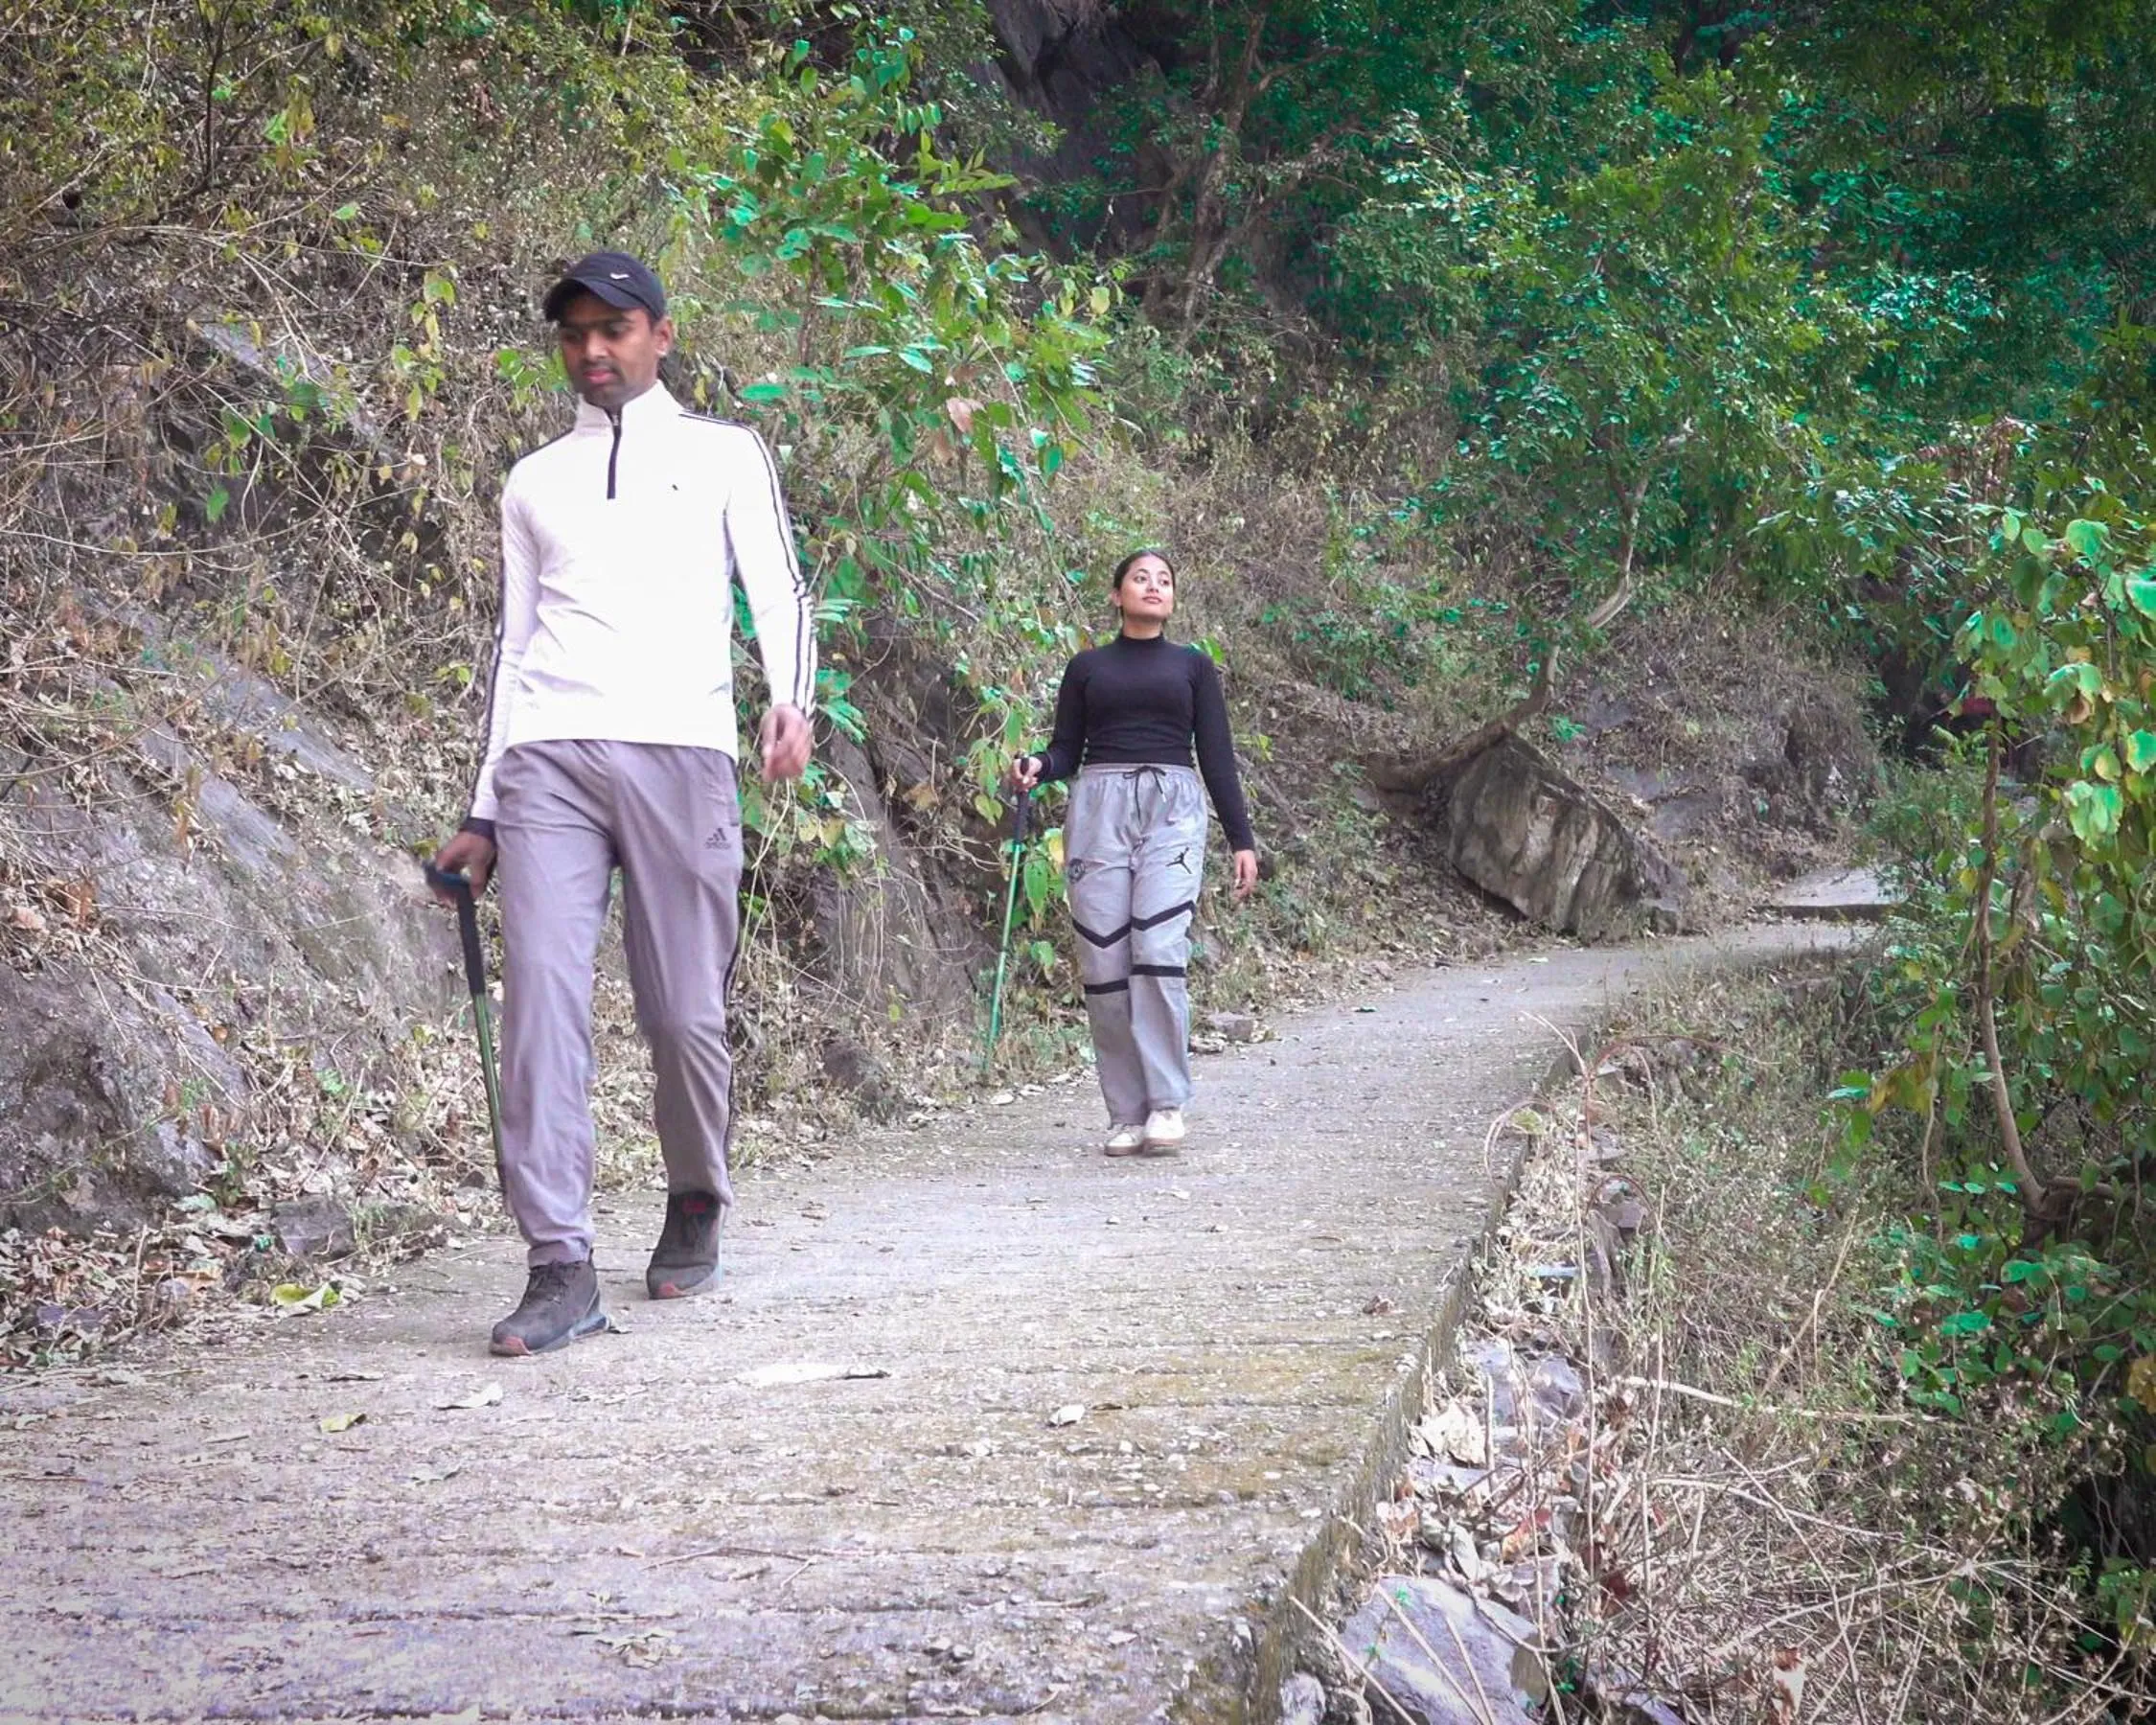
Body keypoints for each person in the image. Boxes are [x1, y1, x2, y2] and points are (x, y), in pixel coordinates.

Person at [429, 250, 815, 1356]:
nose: (592, 351)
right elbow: (514, 647)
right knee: (540, 1006)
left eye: (613, 329)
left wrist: (792, 700)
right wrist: (486, 808)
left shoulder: (724, 453)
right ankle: (560, 1261)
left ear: (660, 334)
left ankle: (695, 1190)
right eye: (574, 334)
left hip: (683, 752)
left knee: (682, 1013)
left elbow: (777, 584)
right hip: (545, 760)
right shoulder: (533, 479)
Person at [1010, 549, 1258, 1156]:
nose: (1154, 587)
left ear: (1172, 599)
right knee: (1103, 962)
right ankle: (1126, 1112)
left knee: (1157, 946)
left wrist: (1241, 838)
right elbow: (1067, 748)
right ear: (1118, 594)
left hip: (1173, 807)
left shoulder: (1194, 668)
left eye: (1164, 580)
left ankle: (1167, 1104)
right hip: (1099, 807)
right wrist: (1038, 766)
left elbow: (1217, 757)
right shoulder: (1087, 667)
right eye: (1140, 578)